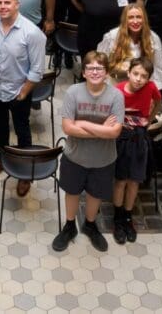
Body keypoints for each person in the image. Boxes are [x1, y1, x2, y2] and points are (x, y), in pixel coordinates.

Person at [52, 50, 123, 253]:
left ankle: (90, 225)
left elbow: (115, 132)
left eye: (99, 68)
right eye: (90, 68)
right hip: (74, 157)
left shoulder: (116, 96)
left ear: (106, 72)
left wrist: (82, 123)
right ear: (83, 72)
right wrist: (102, 130)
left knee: (95, 194)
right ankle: (69, 226)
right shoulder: (73, 92)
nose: (94, 72)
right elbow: (68, 128)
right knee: (72, 192)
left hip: (103, 160)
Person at [0, 0, 46, 197]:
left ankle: (25, 172)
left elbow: (37, 69)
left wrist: (24, 92)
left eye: (7, 3)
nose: (2, 7)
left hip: (19, 92)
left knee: (22, 130)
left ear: (17, 4)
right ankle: (1, 160)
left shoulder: (32, 32)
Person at [111, 57, 161, 245]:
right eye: (136, 74)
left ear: (149, 78)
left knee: (134, 181)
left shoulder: (151, 88)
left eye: (144, 76)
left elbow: (158, 101)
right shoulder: (117, 91)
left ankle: (127, 216)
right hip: (122, 137)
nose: (139, 79)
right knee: (121, 180)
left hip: (140, 136)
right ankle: (117, 217)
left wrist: (150, 119)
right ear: (129, 73)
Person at [97, 2, 162, 88]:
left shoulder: (153, 38)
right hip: (116, 87)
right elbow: (100, 63)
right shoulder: (112, 37)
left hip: (142, 87)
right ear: (125, 20)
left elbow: (157, 68)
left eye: (139, 17)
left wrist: (153, 90)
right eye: (131, 17)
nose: (135, 21)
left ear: (144, 19)